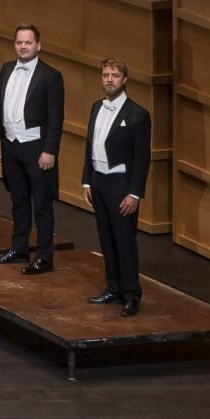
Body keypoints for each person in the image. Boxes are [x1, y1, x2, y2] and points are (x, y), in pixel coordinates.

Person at [0, 24, 67, 273]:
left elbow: (56, 118)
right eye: (19, 42)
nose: (23, 46)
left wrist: (50, 150)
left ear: (38, 46)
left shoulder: (50, 76)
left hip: (36, 148)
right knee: (18, 200)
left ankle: (44, 256)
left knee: (42, 204)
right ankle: (19, 248)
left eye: (28, 42)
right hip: (11, 146)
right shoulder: (6, 69)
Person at [85, 59, 152, 314]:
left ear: (125, 79)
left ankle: (132, 294)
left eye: (114, 75)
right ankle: (113, 287)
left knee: (124, 241)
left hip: (121, 184)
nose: (109, 79)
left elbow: (142, 158)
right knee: (106, 238)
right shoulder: (95, 108)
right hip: (99, 181)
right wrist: (86, 180)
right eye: (105, 75)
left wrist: (134, 193)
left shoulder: (138, 115)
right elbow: (89, 146)